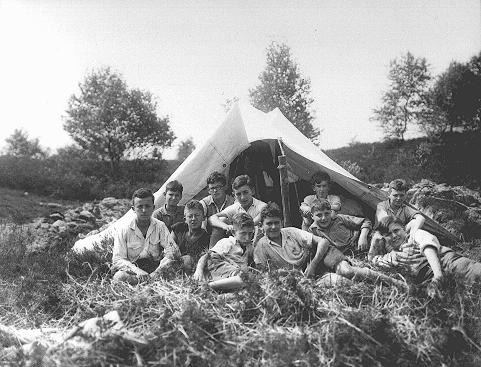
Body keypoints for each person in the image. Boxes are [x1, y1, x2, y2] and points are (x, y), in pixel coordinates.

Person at [254, 203, 404, 287]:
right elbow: (265, 275)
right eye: (269, 224)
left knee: (346, 271)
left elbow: (323, 242)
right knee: (343, 283)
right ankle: (379, 290)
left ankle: (396, 283)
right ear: (262, 225)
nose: (273, 227)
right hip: (304, 275)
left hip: (318, 257)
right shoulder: (261, 247)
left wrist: (312, 265)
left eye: (276, 223)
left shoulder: (291, 232)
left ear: (281, 222)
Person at [369, 215, 481, 285]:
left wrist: (438, 275)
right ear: (384, 238)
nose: (394, 236)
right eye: (388, 234)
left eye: (396, 230)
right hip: (443, 282)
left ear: (404, 229)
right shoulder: (392, 256)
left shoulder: (415, 235)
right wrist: (375, 240)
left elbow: (429, 247)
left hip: (452, 265)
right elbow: (372, 259)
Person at [112, 188, 180, 285]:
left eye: (148, 206)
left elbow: (172, 250)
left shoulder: (160, 226)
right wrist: (137, 271)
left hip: (155, 269)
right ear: (133, 209)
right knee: (119, 277)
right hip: (133, 271)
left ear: (153, 207)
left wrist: (157, 272)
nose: (144, 210)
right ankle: (147, 282)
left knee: (182, 262)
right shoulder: (123, 229)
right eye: (140, 206)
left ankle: (151, 281)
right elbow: (118, 259)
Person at [193, 212, 256, 291]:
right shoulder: (227, 242)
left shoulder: (249, 247)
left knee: (250, 280)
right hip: (218, 267)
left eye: (250, 234)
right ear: (233, 232)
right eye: (243, 233)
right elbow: (207, 256)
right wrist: (199, 270)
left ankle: (215, 287)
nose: (247, 238)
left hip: (231, 273)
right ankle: (208, 286)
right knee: (245, 278)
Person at [370, 179, 425, 253]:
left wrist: (412, 234)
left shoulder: (405, 208)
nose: (399, 199)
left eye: (402, 195)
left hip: (398, 236)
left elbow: (421, 218)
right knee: (378, 237)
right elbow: (385, 222)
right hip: (385, 235)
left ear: (405, 195)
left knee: (414, 222)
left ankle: (404, 248)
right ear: (389, 194)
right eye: (395, 195)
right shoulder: (382, 206)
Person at [171, 200, 210, 274]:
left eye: (197, 215)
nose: (193, 219)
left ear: (203, 218)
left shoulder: (206, 237)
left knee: (188, 259)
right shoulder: (178, 228)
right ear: (185, 218)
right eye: (190, 216)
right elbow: (169, 246)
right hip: (174, 262)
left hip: (191, 269)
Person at [199, 171, 235, 247]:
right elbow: (200, 227)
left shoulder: (233, 202)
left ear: (225, 187)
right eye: (212, 188)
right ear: (208, 191)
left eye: (218, 187)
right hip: (209, 239)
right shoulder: (204, 203)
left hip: (231, 237)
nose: (215, 191)